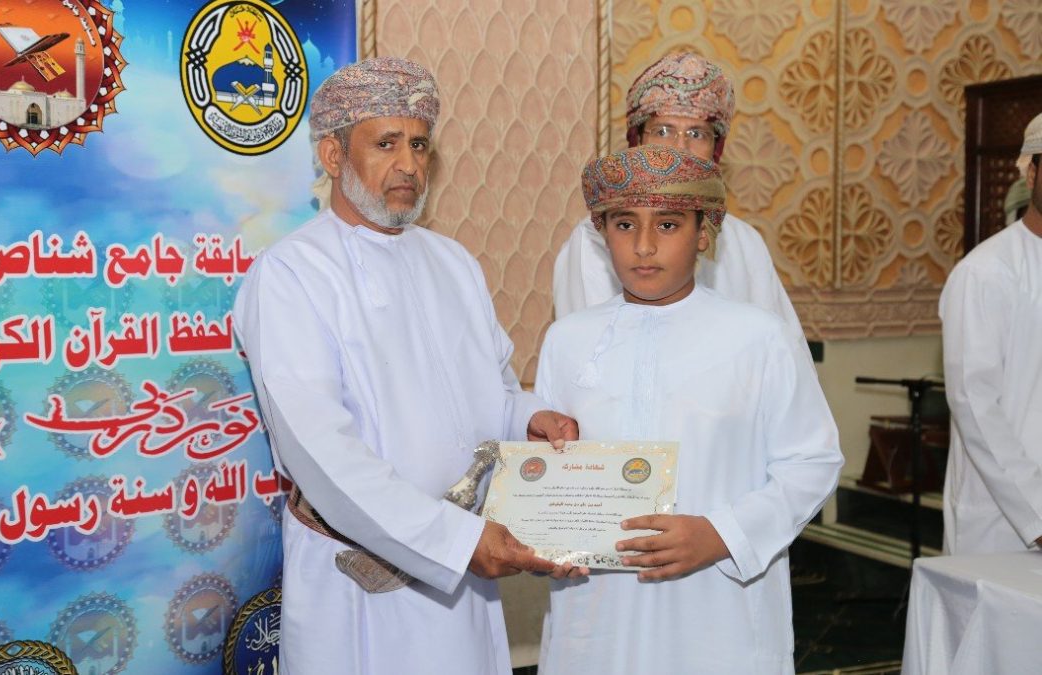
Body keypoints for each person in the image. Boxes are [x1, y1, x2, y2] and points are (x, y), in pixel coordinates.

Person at [233, 56, 579, 675]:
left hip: (466, 568)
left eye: (419, 145)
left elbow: (494, 391)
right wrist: (454, 541)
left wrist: (530, 419)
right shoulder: (289, 274)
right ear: (334, 155)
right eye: (386, 143)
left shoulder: (453, 262)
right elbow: (323, 456)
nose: (409, 165)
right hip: (360, 585)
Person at [534, 145, 842, 674]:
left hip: (718, 605)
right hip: (600, 610)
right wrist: (550, 536)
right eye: (624, 224)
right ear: (602, 232)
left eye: (668, 225)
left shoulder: (759, 338)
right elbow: (553, 463)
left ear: (703, 234)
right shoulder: (567, 340)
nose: (644, 245)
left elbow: (813, 461)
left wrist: (721, 535)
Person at [553, 52, 805, 346]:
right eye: (663, 131)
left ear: (716, 150)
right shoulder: (594, 241)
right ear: (637, 141)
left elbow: (781, 350)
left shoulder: (744, 241)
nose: (680, 148)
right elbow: (588, 353)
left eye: (697, 134)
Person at [940, 111, 1042, 555]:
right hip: (1004, 522)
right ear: (1032, 172)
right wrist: (1037, 513)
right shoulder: (985, 272)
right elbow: (975, 403)